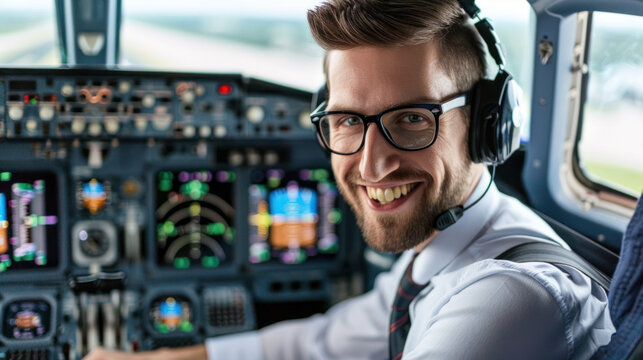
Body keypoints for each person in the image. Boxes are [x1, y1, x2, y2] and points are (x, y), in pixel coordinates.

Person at [85, 0, 615, 359]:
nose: (370, 165)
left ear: (487, 125)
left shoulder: (511, 297)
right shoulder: (447, 247)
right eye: (346, 121)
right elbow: (322, 341)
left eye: (411, 119)